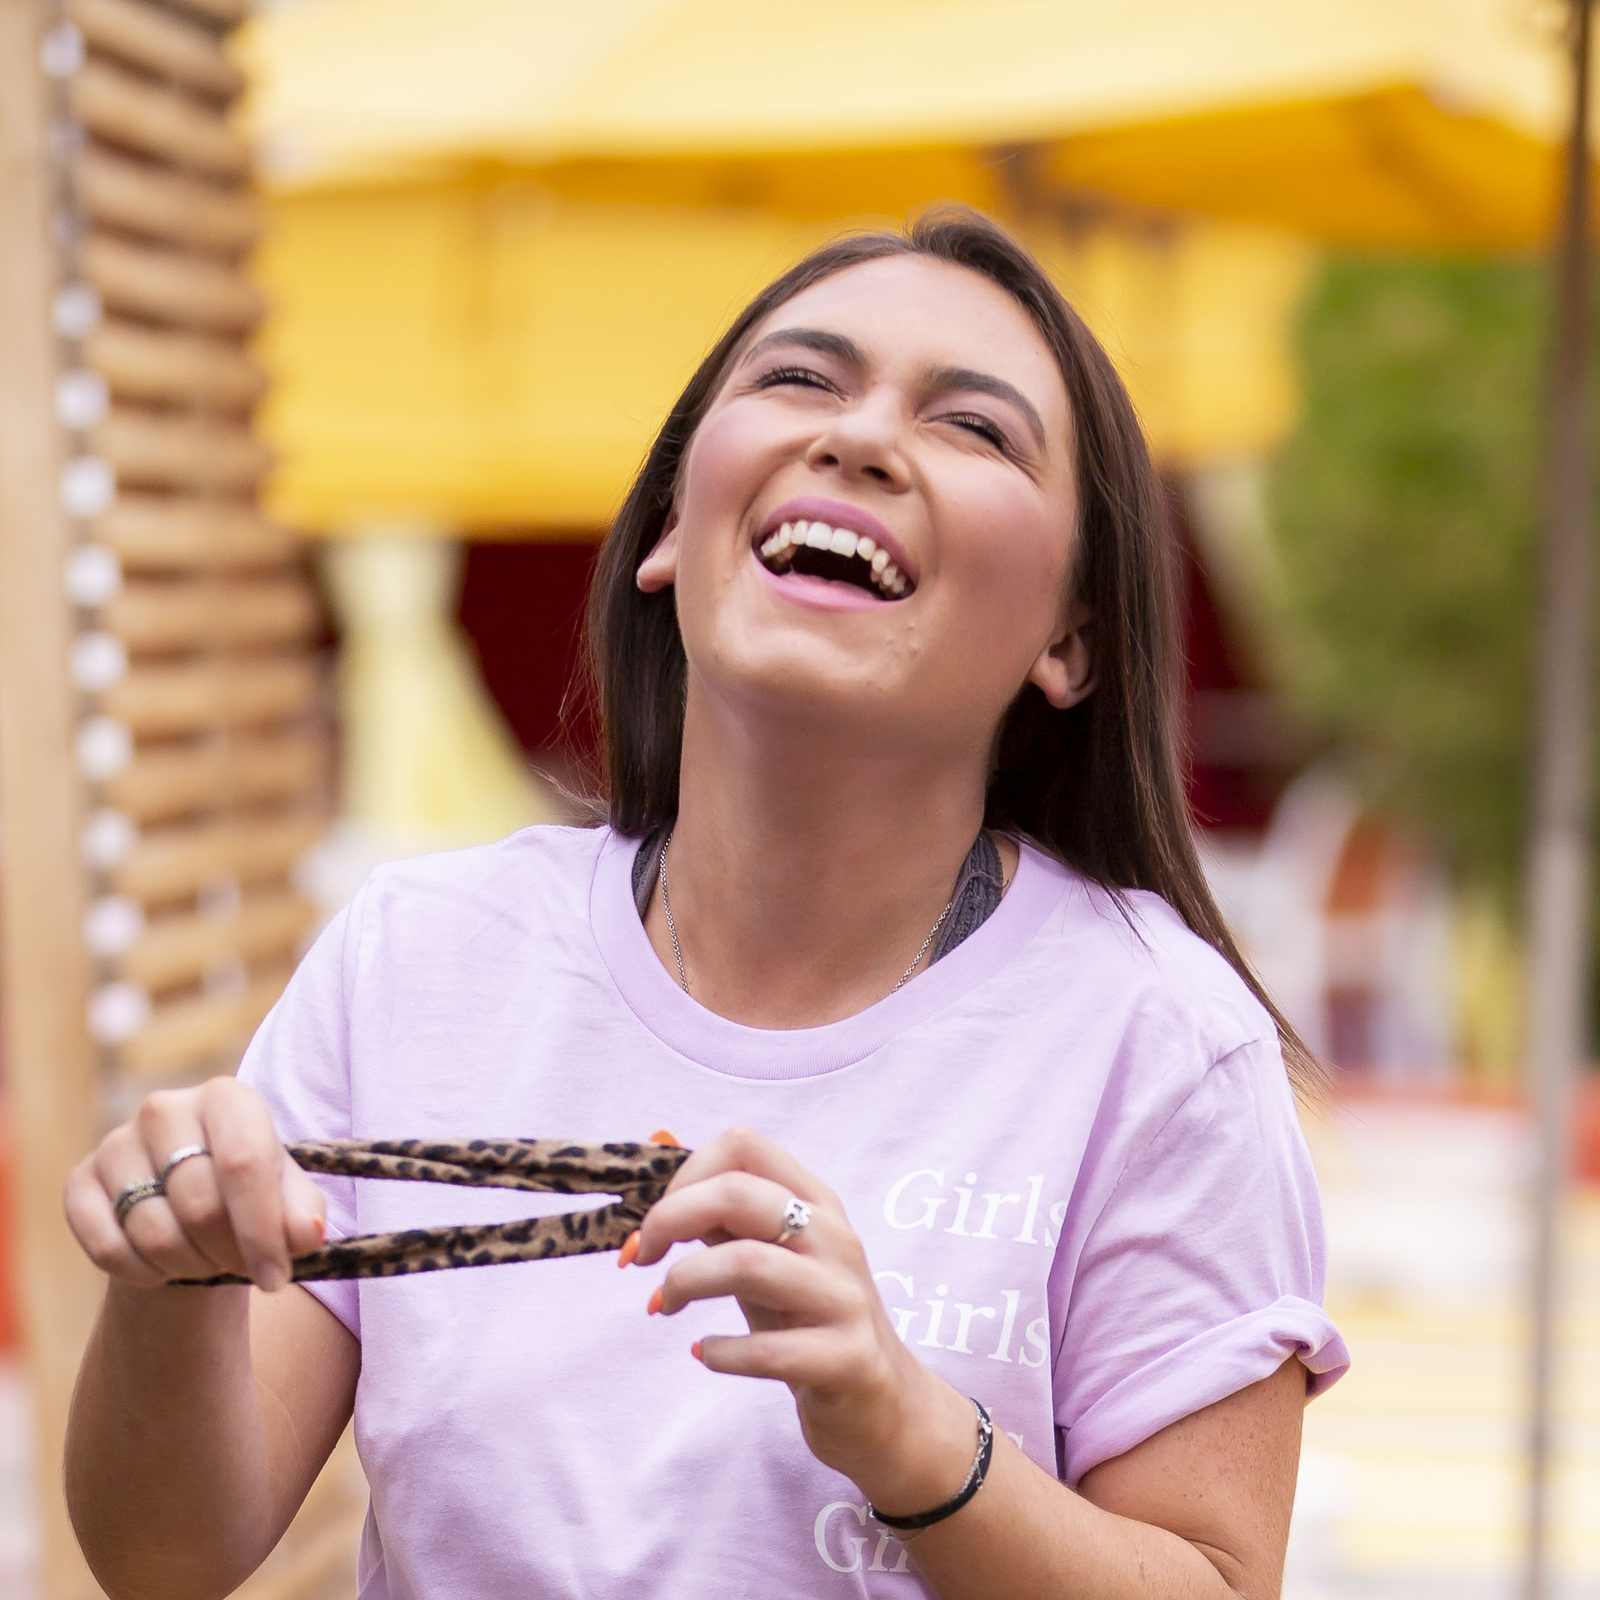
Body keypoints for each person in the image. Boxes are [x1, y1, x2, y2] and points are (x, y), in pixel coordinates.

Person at [63, 205, 1350, 1600]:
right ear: (674, 526)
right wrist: (168, 1284)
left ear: (1071, 640)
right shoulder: (420, 959)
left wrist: (916, 1440)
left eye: (974, 428)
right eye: (800, 379)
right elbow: (163, 1558)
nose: (859, 437)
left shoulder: (1159, 1043)